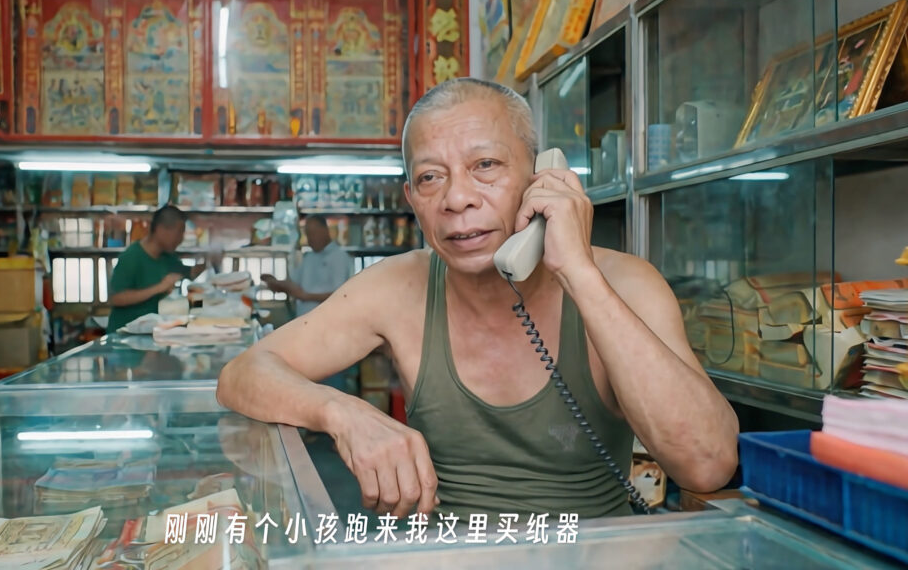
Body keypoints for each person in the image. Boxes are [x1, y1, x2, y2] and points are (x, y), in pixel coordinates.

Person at [216, 78, 739, 521]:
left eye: (485, 165)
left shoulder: (625, 283)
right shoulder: (396, 287)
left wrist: (578, 273)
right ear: (412, 200)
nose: (458, 199)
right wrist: (343, 413)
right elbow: (242, 374)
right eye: (430, 178)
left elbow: (708, 464)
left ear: (540, 175)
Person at [261, 215, 355, 390]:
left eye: (313, 233)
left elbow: (341, 295)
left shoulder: (339, 257)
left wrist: (306, 296)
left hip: (330, 333)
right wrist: (276, 284)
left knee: (332, 386)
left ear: (325, 231)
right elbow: (295, 286)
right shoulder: (309, 258)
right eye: (307, 234)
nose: (310, 239)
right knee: (309, 385)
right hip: (305, 331)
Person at [108, 205, 209, 332]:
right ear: (161, 230)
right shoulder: (132, 256)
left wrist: (208, 261)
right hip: (124, 336)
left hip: (151, 332)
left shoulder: (167, 257)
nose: (181, 239)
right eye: (179, 232)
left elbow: (190, 273)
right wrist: (160, 287)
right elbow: (116, 298)